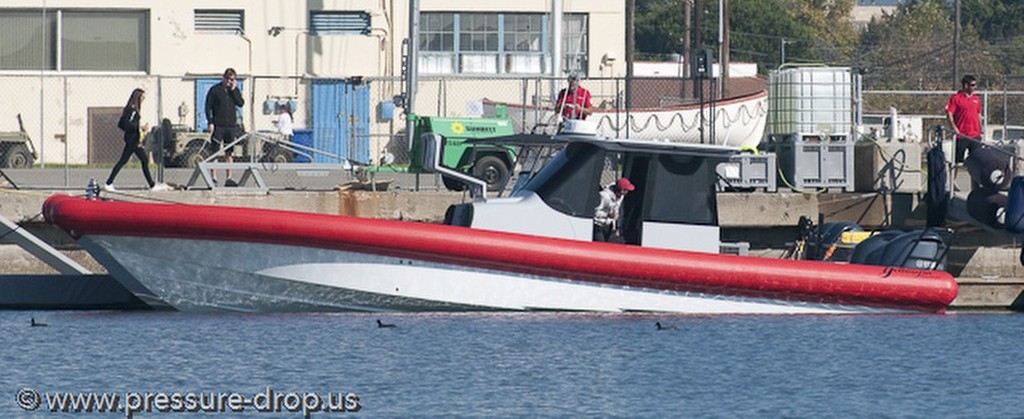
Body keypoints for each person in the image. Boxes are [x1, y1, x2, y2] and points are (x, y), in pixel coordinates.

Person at [105, 88, 166, 192]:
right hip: (132, 140)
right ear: (137, 97)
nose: (143, 99)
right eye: (142, 97)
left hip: (134, 139)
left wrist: (139, 127)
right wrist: (139, 128)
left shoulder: (132, 109)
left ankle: (152, 185)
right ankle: (109, 183)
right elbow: (126, 124)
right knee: (126, 160)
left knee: (142, 159)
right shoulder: (132, 110)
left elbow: (123, 124)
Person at [205, 68, 245, 186]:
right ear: (223, 78)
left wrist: (233, 90)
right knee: (215, 152)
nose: (229, 81)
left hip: (230, 126)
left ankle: (229, 177)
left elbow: (240, 103)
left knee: (229, 152)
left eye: (232, 80)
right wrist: (210, 122)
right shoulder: (215, 90)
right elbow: (208, 107)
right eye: (227, 79)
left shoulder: (234, 91)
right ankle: (214, 177)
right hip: (218, 125)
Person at [945, 74, 982, 164]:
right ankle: (953, 178)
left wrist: (981, 130)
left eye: (975, 85)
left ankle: (975, 178)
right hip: (961, 135)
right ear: (966, 85)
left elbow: (978, 114)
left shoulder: (976, 99)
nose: (975, 87)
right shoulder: (956, 98)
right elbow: (949, 112)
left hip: (975, 135)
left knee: (976, 162)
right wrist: (954, 128)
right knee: (957, 162)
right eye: (973, 85)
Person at [593, 177, 635, 242]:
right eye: (626, 190)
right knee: (601, 245)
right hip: (598, 225)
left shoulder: (621, 196)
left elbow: (617, 209)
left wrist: (618, 226)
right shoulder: (604, 196)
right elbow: (595, 212)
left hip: (609, 225)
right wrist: (608, 215)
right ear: (621, 190)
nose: (627, 192)